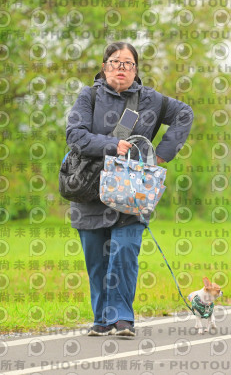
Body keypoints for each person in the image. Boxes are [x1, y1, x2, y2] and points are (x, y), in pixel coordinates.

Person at [65, 42, 193, 337]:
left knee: (124, 253)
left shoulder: (151, 100)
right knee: (96, 260)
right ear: (104, 67)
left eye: (127, 63)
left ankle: (122, 319)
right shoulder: (89, 96)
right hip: (89, 189)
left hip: (132, 191)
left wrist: (161, 155)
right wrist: (113, 145)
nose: (120, 68)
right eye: (114, 62)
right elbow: (74, 135)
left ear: (136, 70)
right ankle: (102, 319)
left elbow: (184, 114)